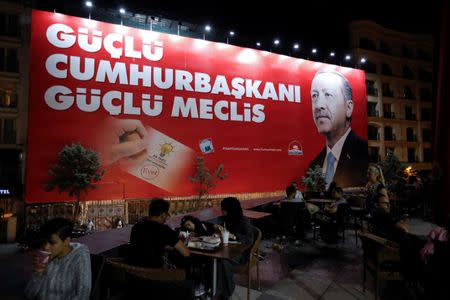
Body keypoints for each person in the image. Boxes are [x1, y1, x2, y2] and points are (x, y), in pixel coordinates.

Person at [308, 70, 368, 188]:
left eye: (328, 95)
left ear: (349, 107)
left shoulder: (364, 154)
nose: (319, 105)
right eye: (314, 95)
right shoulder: (314, 164)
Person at [25, 218, 91, 300]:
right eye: (45, 242)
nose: (46, 247)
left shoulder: (79, 256)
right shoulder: (45, 256)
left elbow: (83, 295)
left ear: (66, 241)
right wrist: (38, 274)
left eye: (52, 242)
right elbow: (29, 294)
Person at [128, 198, 190, 268]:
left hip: (133, 272)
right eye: (167, 214)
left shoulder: (137, 226)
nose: (167, 217)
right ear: (163, 214)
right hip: (154, 274)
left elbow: (147, 244)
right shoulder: (164, 229)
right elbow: (186, 253)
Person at [216, 197, 254, 299]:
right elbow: (221, 234)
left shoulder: (243, 220)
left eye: (224, 210)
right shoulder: (224, 219)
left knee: (223, 262)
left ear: (231, 209)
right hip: (225, 249)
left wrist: (234, 236)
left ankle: (227, 291)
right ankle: (215, 289)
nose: (223, 212)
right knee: (215, 260)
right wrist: (217, 230)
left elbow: (249, 239)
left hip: (240, 253)